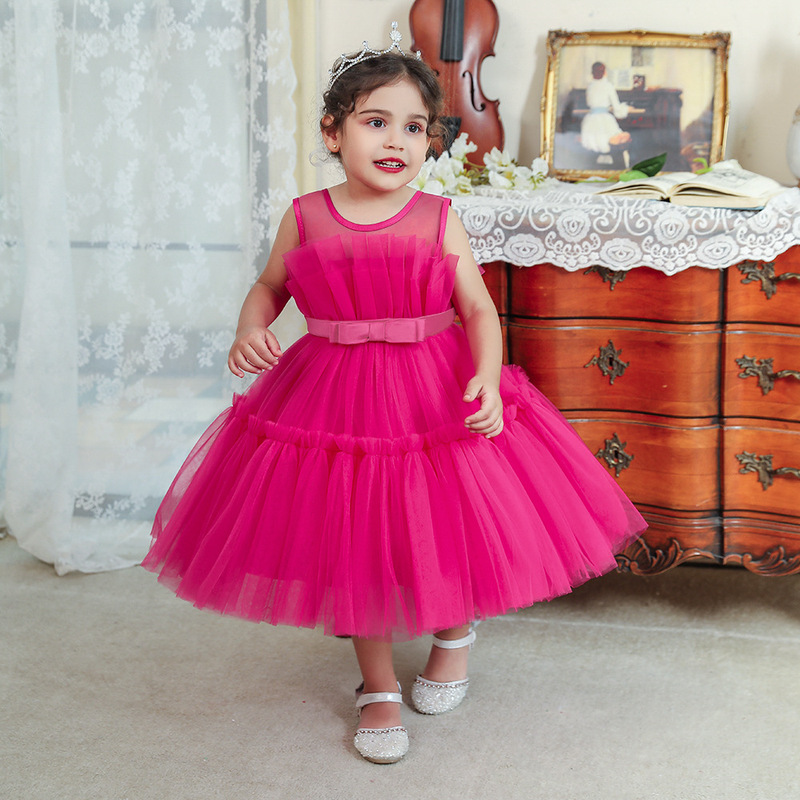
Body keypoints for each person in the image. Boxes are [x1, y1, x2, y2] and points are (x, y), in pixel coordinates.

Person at [142, 23, 646, 765]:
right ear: (333, 132)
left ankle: (454, 634)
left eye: (415, 127)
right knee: (357, 542)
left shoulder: (439, 218)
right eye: (376, 121)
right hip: (333, 392)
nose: (397, 141)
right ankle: (376, 684)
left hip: (433, 386)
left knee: (449, 522)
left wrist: (486, 375)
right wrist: (250, 328)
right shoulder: (306, 215)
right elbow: (270, 286)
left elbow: (478, 310)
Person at [580, 61, 632, 161]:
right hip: (604, 121)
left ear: (592, 73)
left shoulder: (590, 86)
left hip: (590, 122)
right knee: (618, 137)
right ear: (604, 73)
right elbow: (617, 109)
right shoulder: (608, 86)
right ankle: (618, 163)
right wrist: (626, 108)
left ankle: (599, 161)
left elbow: (590, 103)